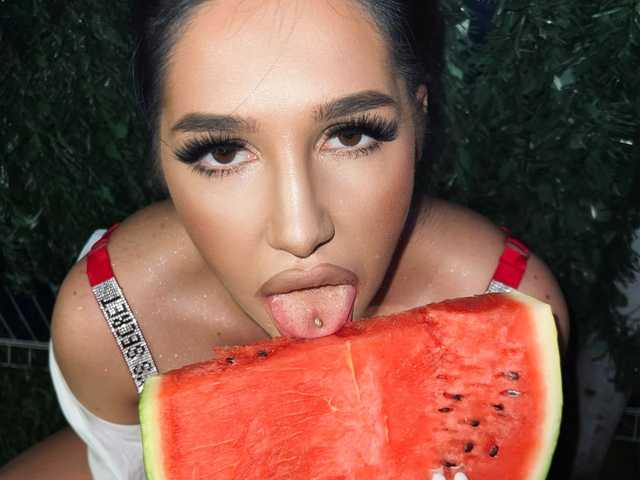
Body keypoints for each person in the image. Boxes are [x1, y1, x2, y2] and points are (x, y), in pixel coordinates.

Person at [0, 0, 569, 478]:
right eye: (224, 151)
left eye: (351, 135)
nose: (300, 232)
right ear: (158, 155)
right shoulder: (112, 321)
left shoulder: (510, 307)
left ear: (418, 123)